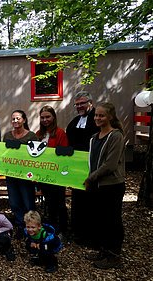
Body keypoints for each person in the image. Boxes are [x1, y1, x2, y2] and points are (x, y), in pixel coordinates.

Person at [83, 102, 125, 269]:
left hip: (112, 185)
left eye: (101, 115)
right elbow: (91, 161)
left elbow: (110, 165)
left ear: (110, 117)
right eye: (96, 115)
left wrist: (90, 178)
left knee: (112, 220)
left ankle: (114, 256)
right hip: (97, 185)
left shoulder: (116, 136)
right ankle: (104, 251)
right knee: (100, 219)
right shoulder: (94, 138)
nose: (97, 118)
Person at [66, 91, 99, 245]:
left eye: (82, 103)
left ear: (90, 103)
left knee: (91, 201)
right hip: (76, 168)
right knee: (77, 200)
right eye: (77, 104)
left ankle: (90, 235)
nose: (79, 106)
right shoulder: (74, 122)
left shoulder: (96, 120)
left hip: (92, 166)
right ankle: (77, 232)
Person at [3, 110, 38, 239]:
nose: (15, 121)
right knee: (14, 202)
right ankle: (20, 225)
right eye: (13, 119)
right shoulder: (7, 136)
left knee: (28, 202)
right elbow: (4, 154)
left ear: (24, 120)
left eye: (18, 118)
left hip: (26, 176)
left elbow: (36, 157)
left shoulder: (31, 136)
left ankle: (32, 227)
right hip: (11, 175)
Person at [36, 105, 69, 237]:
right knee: (50, 203)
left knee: (60, 203)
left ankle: (63, 229)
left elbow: (64, 152)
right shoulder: (39, 134)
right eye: (42, 117)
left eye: (48, 117)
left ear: (53, 117)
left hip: (56, 175)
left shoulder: (60, 133)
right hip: (43, 175)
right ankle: (52, 228)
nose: (45, 120)